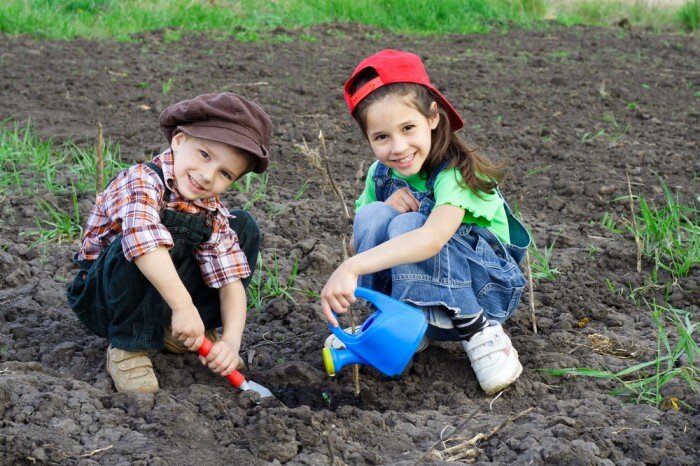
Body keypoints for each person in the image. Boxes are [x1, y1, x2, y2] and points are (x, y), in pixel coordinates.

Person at [320, 50, 531, 395]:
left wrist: (350, 266)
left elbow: (431, 239)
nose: (398, 147)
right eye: (382, 137)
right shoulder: (380, 175)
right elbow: (363, 241)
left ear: (433, 117)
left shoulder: (457, 171)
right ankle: (396, 325)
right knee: (374, 215)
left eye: (408, 128)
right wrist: (385, 208)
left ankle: (480, 334)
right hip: (417, 296)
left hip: (485, 291)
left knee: (412, 227)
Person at [67, 92, 272, 394]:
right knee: (161, 232)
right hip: (105, 297)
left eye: (224, 173)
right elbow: (144, 242)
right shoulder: (141, 180)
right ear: (178, 141)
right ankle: (129, 347)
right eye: (204, 155)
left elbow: (231, 282)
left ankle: (178, 331)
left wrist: (231, 341)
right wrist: (183, 305)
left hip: (165, 301)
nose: (206, 176)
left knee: (243, 226)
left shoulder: (210, 209)